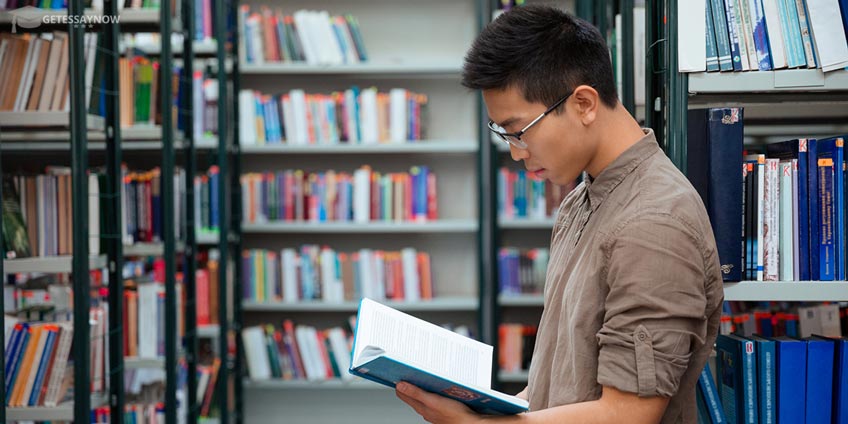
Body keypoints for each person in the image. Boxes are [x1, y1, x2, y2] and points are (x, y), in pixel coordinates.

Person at [394, 5, 724, 424]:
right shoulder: (580, 200)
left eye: (518, 130)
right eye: (503, 134)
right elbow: (560, 376)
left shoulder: (654, 222)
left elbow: (628, 413)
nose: (515, 152)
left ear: (584, 103)